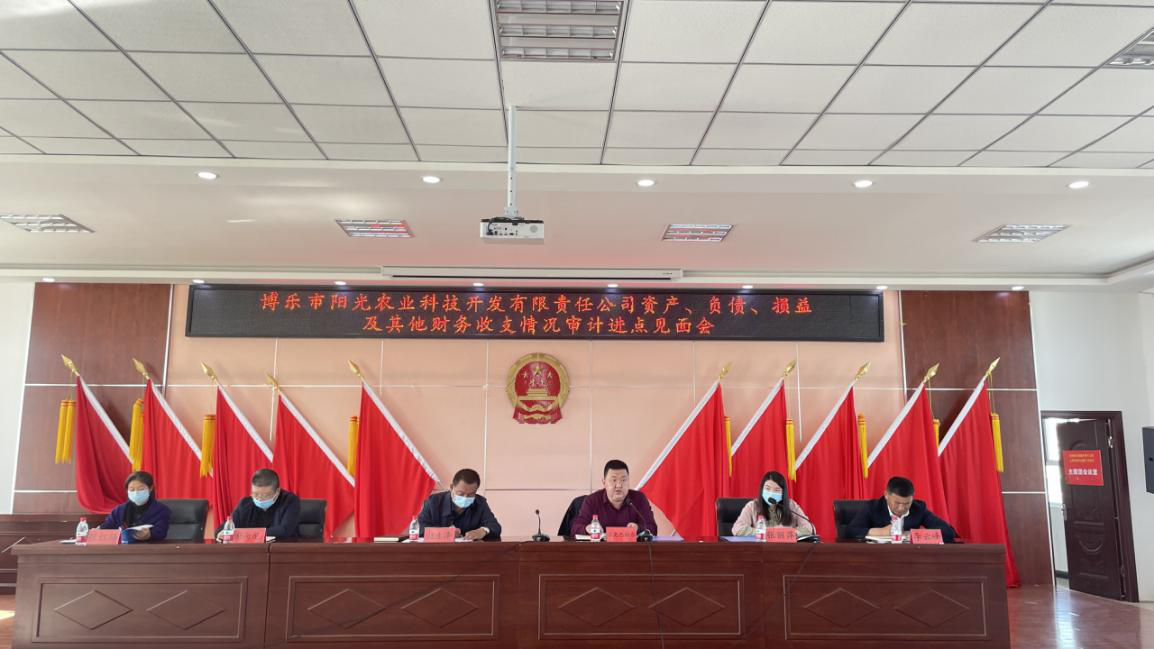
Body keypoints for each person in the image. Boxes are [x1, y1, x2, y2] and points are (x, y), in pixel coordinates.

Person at [845, 475, 957, 542]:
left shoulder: (918, 508)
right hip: (878, 558)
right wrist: (880, 531)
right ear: (886, 495)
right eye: (897, 503)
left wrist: (914, 534)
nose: (901, 508)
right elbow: (849, 532)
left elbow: (948, 532)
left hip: (909, 559)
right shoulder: (872, 507)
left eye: (907, 503)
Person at [570, 459, 657, 537]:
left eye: (623, 480)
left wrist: (638, 528)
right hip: (601, 549)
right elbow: (574, 529)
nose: (619, 485)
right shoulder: (592, 501)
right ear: (604, 482)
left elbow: (652, 528)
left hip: (631, 549)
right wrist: (587, 529)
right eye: (614, 480)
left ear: (628, 481)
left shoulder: (639, 499)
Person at [417, 468, 501, 541]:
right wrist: (445, 532)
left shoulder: (480, 503)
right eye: (461, 493)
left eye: (471, 494)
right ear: (451, 487)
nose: (465, 497)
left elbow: (495, 526)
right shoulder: (433, 502)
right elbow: (420, 529)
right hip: (438, 551)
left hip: (468, 551)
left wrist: (483, 531)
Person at [216, 468, 301, 540]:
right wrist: (222, 533)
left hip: (281, 549)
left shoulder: (290, 501)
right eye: (255, 494)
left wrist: (247, 534)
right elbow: (223, 529)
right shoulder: (245, 504)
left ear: (277, 491)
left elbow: (285, 530)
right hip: (251, 551)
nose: (259, 499)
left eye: (265, 495)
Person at [731, 471, 815, 537]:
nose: (771, 493)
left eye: (777, 490)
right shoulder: (752, 506)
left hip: (786, 550)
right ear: (762, 489)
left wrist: (787, 533)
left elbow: (809, 528)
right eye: (767, 489)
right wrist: (766, 533)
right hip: (760, 549)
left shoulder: (791, 505)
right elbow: (737, 529)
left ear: (783, 492)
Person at [100, 470, 170, 543]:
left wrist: (150, 534)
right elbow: (106, 527)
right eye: (132, 489)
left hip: (150, 547)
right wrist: (98, 530)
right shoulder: (120, 510)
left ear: (150, 488)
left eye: (141, 489)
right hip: (123, 547)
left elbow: (161, 532)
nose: (136, 493)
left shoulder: (161, 510)